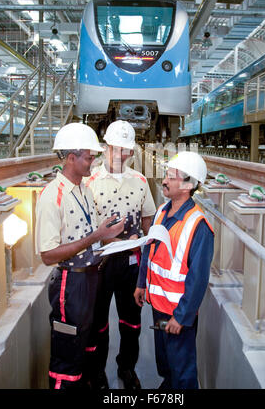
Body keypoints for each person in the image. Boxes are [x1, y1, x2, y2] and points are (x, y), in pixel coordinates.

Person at [35, 123, 125, 390]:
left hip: (90, 280)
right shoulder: (53, 196)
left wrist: (116, 236)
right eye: (89, 157)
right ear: (71, 158)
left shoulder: (85, 190)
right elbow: (48, 255)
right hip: (69, 286)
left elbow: (92, 234)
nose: (93, 162)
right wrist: (96, 236)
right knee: (67, 351)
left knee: (86, 342)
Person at [85, 120, 156, 390]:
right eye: (117, 149)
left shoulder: (139, 181)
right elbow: (87, 229)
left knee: (131, 322)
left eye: (127, 150)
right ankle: (98, 372)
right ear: (106, 147)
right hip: (101, 263)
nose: (122, 155)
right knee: (98, 323)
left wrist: (148, 245)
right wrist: (112, 239)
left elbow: (148, 218)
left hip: (131, 264)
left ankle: (127, 368)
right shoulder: (90, 181)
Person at [134, 151, 214, 390]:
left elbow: (198, 279)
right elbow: (149, 250)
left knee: (183, 371)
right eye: (166, 175)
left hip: (177, 313)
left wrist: (181, 317)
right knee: (166, 365)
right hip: (158, 306)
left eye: (171, 176)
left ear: (188, 184)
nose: (164, 181)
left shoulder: (198, 226)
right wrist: (141, 283)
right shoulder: (161, 211)